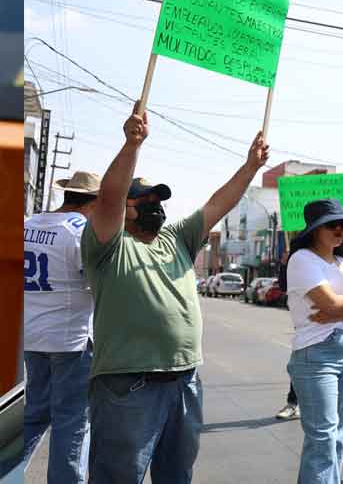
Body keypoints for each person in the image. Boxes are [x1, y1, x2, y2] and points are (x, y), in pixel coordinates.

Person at [82, 101, 268, 483]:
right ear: (125, 210)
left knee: (176, 476)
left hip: (185, 382)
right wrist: (132, 146)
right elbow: (110, 197)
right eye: (145, 201)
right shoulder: (108, 243)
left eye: (158, 200)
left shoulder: (177, 238)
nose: (155, 206)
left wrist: (251, 167)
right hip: (128, 385)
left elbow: (218, 203)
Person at [285, 199, 343, 484]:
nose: (339, 230)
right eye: (331, 225)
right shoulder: (302, 259)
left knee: (339, 432)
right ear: (315, 230)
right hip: (317, 354)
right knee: (323, 437)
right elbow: (332, 303)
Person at [22, 171, 100, 484]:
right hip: (71, 342)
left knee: (34, 413)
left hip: (30, 336)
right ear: (94, 202)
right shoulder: (80, 231)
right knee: (72, 424)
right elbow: (97, 281)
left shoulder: (27, 225)